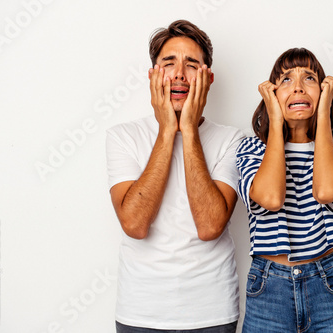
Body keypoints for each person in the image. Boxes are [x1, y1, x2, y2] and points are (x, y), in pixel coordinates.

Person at [106, 20, 244, 333]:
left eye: (192, 64)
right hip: (141, 312)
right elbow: (135, 224)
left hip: (212, 311)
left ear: (208, 78)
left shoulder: (232, 140)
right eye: (169, 63)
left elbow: (210, 226)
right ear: (154, 76)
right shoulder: (122, 137)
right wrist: (168, 129)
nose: (180, 73)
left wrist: (189, 128)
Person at [236, 48, 333, 332]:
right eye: (285, 80)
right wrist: (276, 122)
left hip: (329, 284)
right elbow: (270, 198)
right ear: (272, 96)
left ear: (323, 91)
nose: (298, 88)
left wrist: (324, 109)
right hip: (269, 288)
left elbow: (327, 192)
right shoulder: (252, 149)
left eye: (309, 79)